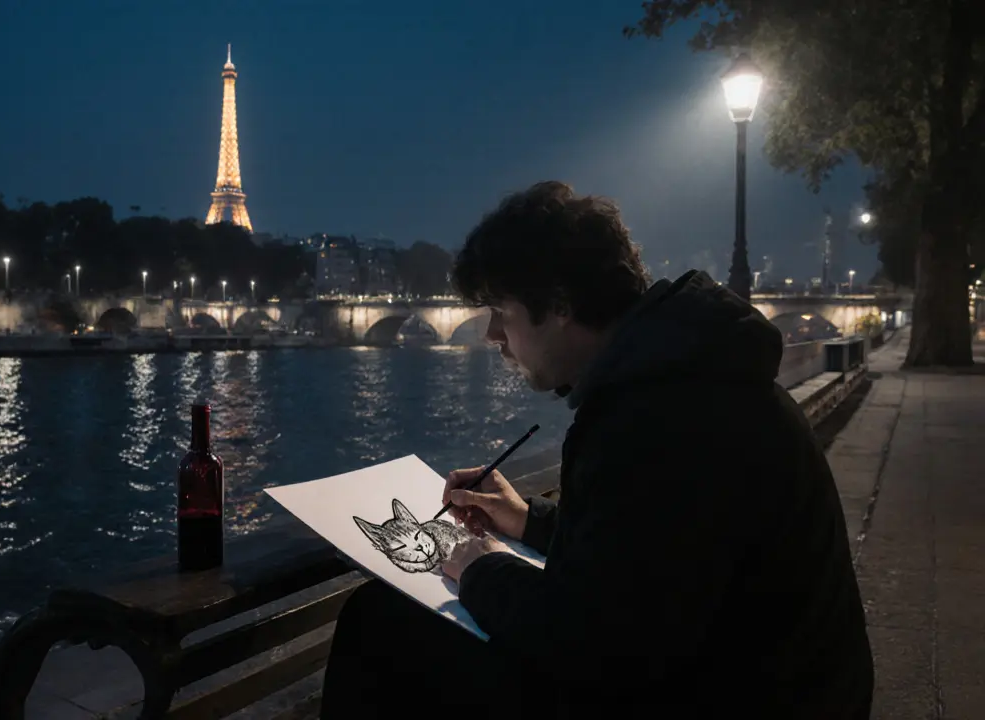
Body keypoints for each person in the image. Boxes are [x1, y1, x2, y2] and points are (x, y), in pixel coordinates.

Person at [320, 181, 874, 719]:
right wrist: (528, 521)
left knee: (379, 624)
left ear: (560, 306)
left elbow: (596, 647)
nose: (491, 335)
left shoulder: (652, 420)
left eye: (501, 312)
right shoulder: (693, 384)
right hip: (778, 688)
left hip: (729, 697)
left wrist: (479, 569)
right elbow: (650, 553)